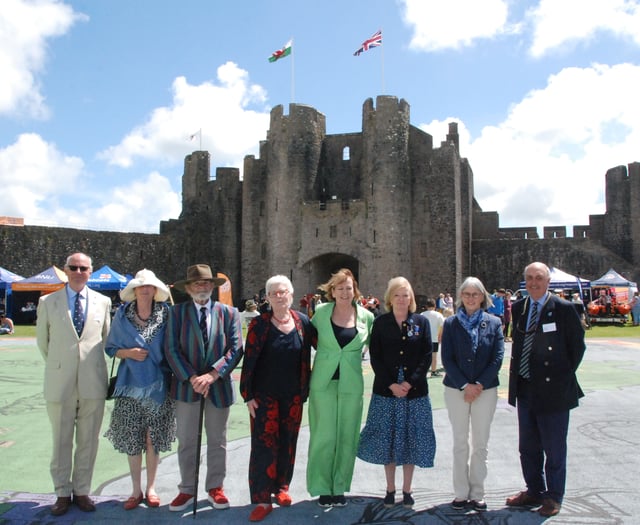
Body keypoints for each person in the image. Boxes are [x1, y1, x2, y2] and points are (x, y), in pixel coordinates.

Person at [506, 262, 586, 517]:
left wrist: (559, 377)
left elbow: (577, 348)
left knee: (553, 448)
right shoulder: (520, 307)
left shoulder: (562, 308)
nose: (533, 282)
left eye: (538, 277)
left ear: (548, 281)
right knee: (527, 446)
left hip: (554, 390)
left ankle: (553, 497)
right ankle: (534, 490)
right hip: (526, 387)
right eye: (529, 278)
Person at [35, 252, 112, 516]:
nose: (79, 271)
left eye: (84, 268)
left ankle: (82, 491)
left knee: (89, 441)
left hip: (92, 381)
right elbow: (43, 343)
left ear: (90, 272)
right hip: (60, 382)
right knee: (61, 441)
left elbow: (106, 339)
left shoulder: (103, 302)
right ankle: (61, 493)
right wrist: (63, 364)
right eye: (74, 267)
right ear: (66, 270)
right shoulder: (48, 301)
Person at [164, 264, 243, 512]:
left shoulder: (229, 313)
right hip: (187, 388)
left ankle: (215, 487)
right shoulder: (176, 314)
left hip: (218, 387)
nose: (202, 287)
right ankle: (187, 489)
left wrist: (211, 375)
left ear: (213, 286)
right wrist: (192, 378)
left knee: (218, 441)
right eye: (197, 283)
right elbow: (171, 349)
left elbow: (235, 349)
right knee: (187, 441)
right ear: (188, 288)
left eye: (207, 283)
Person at [240, 275, 316, 522]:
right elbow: (249, 360)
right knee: (264, 446)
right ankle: (262, 498)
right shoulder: (259, 325)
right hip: (265, 397)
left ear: (291, 295)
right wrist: (248, 394)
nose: (279, 296)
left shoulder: (302, 321)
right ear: (267, 298)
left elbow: (324, 347)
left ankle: (282, 487)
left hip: (293, 395)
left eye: (283, 292)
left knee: (288, 442)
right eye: (274, 293)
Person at [357, 277, 435, 509]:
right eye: (397, 295)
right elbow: (376, 356)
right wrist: (391, 384)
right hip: (386, 390)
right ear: (390, 298)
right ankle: (390, 489)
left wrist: (410, 383)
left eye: (406, 295)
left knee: (411, 438)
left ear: (411, 298)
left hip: (414, 391)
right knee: (388, 438)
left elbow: (426, 356)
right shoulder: (381, 323)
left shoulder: (421, 322)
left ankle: (407, 489)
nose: (402, 299)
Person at [104, 269, 176, 510]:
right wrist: (129, 353)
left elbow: (174, 345)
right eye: (141, 286)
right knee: (133, 437)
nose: (145, 289)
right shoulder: (122, 315)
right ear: (134, 290)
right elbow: (111, 347)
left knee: (153, 438)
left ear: (156, 291)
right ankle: (135, 489)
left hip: (159, 384)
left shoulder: (166, 314)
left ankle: (151, 488)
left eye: (149, 286)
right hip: (130, 384)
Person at [306, 268, 374, 507]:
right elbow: (305, 342)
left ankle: (340, 487)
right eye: (340, 288)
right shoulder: (321, 314)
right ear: (331, 291)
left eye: (349, 288)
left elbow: (375, 348)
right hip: (323, 383)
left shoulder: (367, 317)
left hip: (351, 384)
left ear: (355, 290)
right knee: (323, 436)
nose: (345, 292)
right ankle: (322, 486)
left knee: (347, 437)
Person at [440, 277, 504, 512]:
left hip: (485, 390)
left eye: (474, 294)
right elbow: (447, 358)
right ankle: (460, 492)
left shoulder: (494, 323)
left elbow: (497, 358)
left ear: (482, 296)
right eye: (466, 294)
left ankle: (477, 492)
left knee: (480, 443)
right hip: (456, 389)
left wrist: (478, 384)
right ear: (460, 297)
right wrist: (464, 385)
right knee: (459, 442)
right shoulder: (451, 324)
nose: (470, 298)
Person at [420, 298, 444, 377]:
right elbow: (442, 326)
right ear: (435, 306)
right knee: (434, 355)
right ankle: (433, 371)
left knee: (424, 356)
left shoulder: (422, 314)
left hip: (424, 338)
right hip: (434, 338)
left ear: (426, 306)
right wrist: (440, 336)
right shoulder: (438, 315)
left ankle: (423, 371)